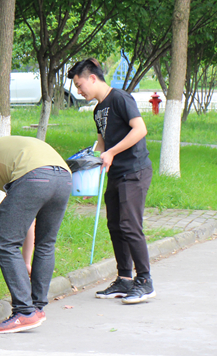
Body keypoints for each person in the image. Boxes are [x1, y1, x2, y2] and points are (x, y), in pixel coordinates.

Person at [0, 136, 72, 333]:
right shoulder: (11, 154)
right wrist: (25, 261)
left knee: (4, 244)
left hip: (34, 177)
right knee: (46, 244)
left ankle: (24, 311)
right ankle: (36, 309)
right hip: (64, 178)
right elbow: (27, 220)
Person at [68, 58, 155, 304]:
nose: (79, 90)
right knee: (115, 225)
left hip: (134, 171)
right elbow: (101, 145)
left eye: (79, 85)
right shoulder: (98, 110)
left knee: (130, 225)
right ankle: (125, 279)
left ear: (92, 78)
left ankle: (145, 281)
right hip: (116, 174)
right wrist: (89, 176)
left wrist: (112, 152)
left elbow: (140, 129)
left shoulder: (120, 98)